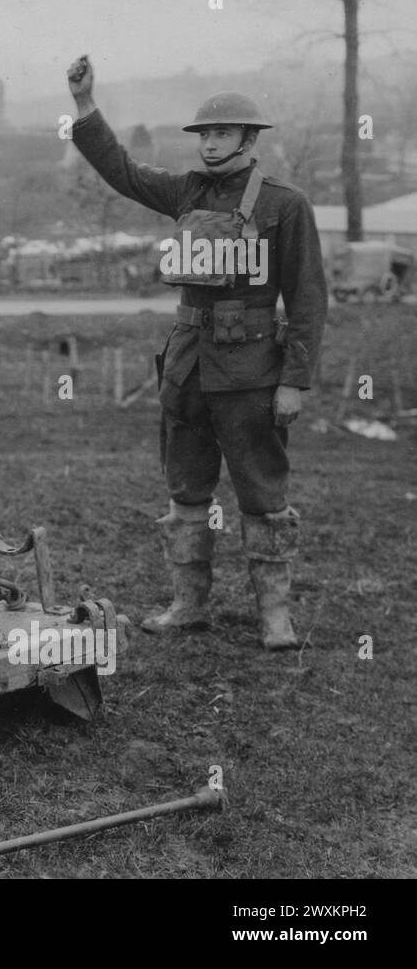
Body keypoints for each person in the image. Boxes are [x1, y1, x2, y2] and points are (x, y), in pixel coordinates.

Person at [66, 57, 327, 651]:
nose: (210, 143)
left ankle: (275, 617)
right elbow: (123, 171)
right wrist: (86, 105)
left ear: (249, 139)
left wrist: (295, 381)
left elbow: (308, 298)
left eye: (222, 133)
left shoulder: (286, 205)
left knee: (262, 494)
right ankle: (187, 604)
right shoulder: (186, 192)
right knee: (186, 491)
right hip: (187, 369)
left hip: (254, 373)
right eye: (205, 134)